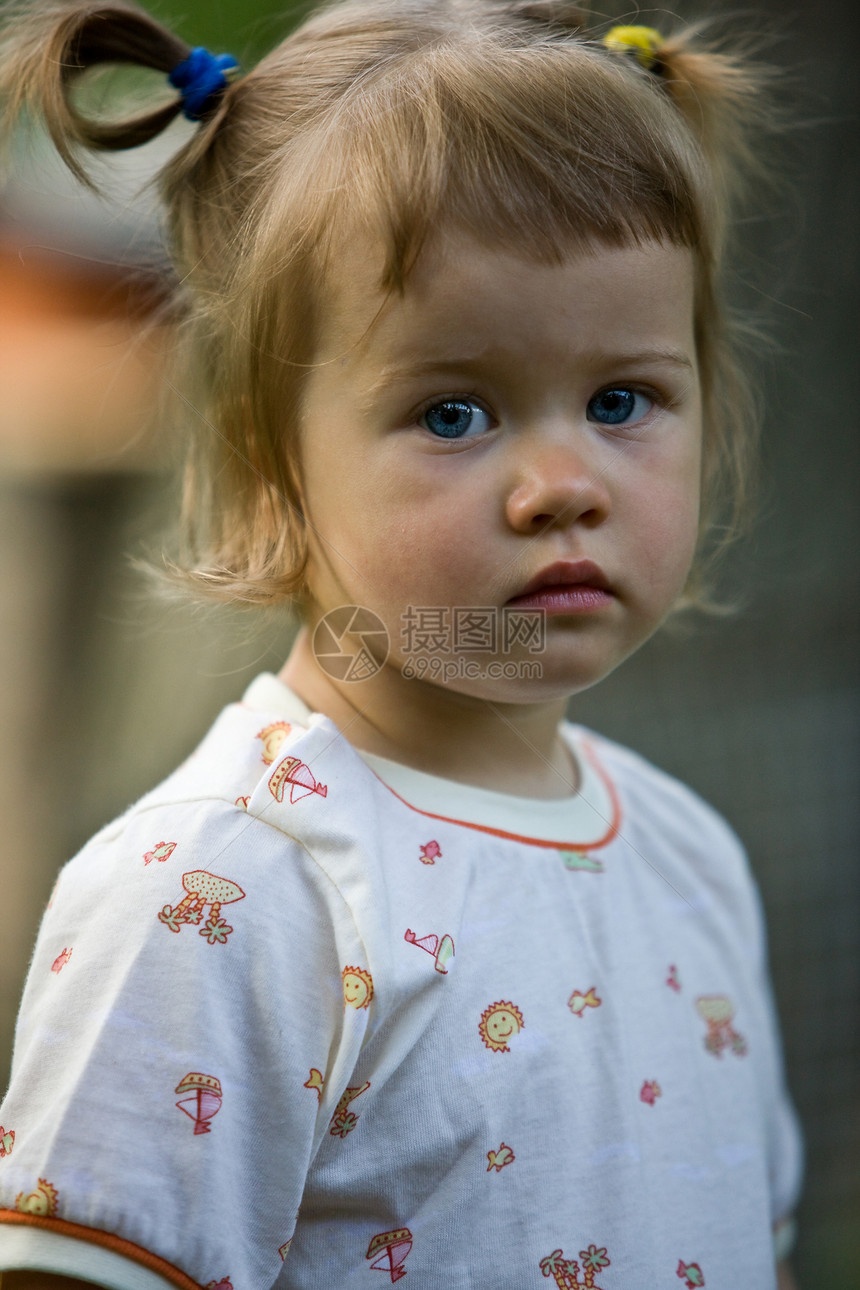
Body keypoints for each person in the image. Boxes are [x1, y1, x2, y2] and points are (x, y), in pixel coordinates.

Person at [0, 1, 803, 1287]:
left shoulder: (688, 854)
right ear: (272, 471)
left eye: (620, 401)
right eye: (453, 412)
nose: (561, 484)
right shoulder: (228, 890)